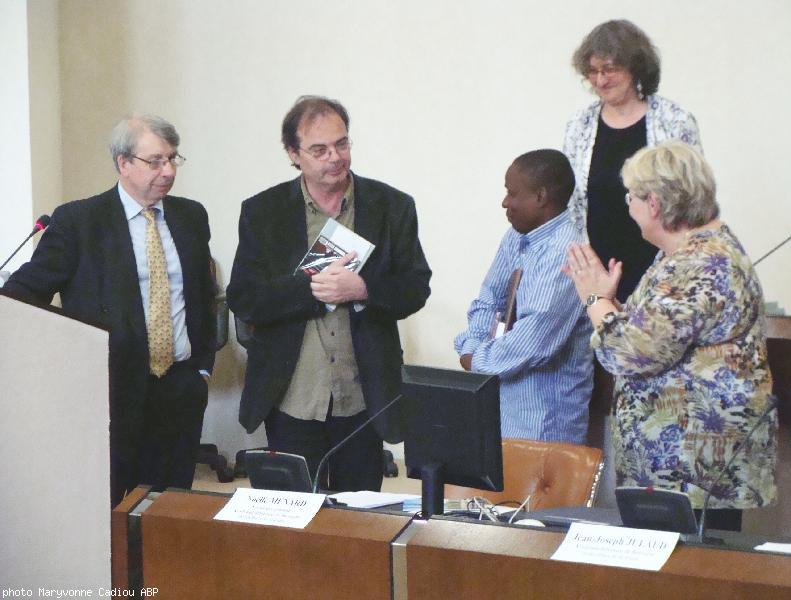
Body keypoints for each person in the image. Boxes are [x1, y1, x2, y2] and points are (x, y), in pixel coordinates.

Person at [4, 115, 217, 506]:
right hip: (110, 388)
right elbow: (28, 290)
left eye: (173, 159)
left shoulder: (191, 216)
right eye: (155, 161)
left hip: (179, 388)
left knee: (170, 508)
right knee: (108, 507)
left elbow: (204, 293)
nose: (168, 171)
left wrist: (202, 367)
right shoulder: (80, 220)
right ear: (123, 163)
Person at [564, 141, 776, 531]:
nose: (629, 206)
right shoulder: (685, 255)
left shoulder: (701, 262)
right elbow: (664, 338)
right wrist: (614, 304)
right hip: (678, 470)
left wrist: (594, 299)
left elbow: (629, 353)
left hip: (694, 473)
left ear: (655, 204)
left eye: (631, 197)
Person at [227, 95, 431, 492]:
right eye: (319, 149)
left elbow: (415, 287)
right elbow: (244, 297)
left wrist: (363, 288)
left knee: (360, 522)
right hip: (293, 396)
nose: (334, 157)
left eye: (342, 144)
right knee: (297, 523)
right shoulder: (263, 212)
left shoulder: (392, 207)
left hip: (364, 393)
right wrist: (312, 289)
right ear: (293, 153)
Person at [454, 149, 593, 443]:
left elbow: (531, 343)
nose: (505, 202)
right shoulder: (518, 234)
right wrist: (473, 342)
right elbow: (488, 298)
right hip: (501, 406)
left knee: (532, 492)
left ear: (541, 197)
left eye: (512, 193)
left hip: (545, 422)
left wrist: (474, 360)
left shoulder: (567, 251)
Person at [564, 19, 702, 302]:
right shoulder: (580, 124)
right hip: (598, 272)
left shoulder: (675, 121)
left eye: (609, 69)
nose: (600, 80)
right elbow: (573, 204)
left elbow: (693, 202)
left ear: (635, 67)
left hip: (664, 274)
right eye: (592, 71)